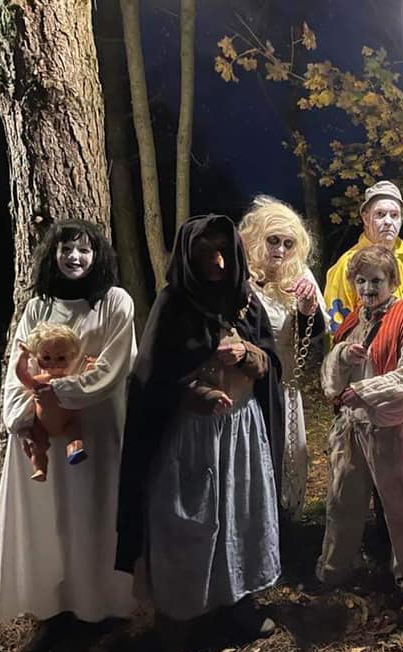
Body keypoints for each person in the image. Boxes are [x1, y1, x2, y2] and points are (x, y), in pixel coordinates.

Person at [115, 214, 283, 646]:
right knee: (186, 524)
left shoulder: (245, 300)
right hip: (188, 439)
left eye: (224, 252)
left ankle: (237, 604)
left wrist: (247, 353)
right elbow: (150, 380)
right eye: (207, 254)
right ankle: (180, 613)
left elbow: (270, 362)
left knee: (242, 518)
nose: (219, 263)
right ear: (189, 257)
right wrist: (193, 394)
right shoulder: (173, 305)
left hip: (241, 434)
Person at [0, 220, 137, 651]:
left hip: (93, 430)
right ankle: (53, 608)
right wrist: (22, 415)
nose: (74, 257)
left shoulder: (115, 303)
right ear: (53, 255)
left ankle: (97, 607)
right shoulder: (38, 306)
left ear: (97, 255)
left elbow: (115, 365)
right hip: (41, 428)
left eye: (84, 249)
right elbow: (19, 365)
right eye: (66, 249)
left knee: (93, 512)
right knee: (50, 519)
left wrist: (64, 391)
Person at [317, 245, 403, 625]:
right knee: (342, 502)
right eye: (361, 281)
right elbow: (329, 377)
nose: (368, 288)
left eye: (376, 281)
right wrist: (342, 358)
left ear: (393, 281)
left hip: (389, 429)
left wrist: (366, 391)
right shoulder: (354, 320)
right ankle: (334, 572)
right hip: (351, 428)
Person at [239, 196, 326, 521]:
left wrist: (306, 307)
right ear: (256, 238)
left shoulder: (299, 276)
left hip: (284, 383)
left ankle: (281, 524)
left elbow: (313, 334)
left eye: (288, 244)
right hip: (244, 384)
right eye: (273, 240)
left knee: (284, 456)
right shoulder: (241, 275)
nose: (280, 250)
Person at [324, 180, 403, 334]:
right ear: (366, 218)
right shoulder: (347, 265)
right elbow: (337, 329)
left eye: (394, 215)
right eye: (380, 214)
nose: (388, 222)